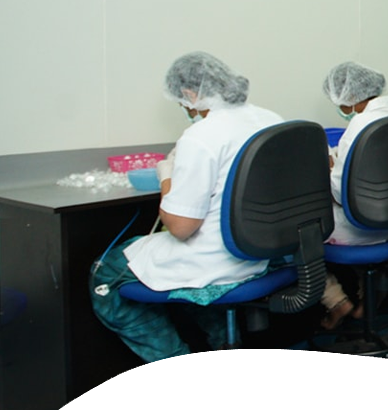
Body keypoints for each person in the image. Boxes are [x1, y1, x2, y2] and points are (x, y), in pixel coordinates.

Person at [90, 52, 300, 360]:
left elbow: (180, 227)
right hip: (266, 254)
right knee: (188, 279)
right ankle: (221, 343)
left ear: (191, 94)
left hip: (218, 263)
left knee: (106, 273)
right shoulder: (271, 119)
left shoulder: (202, 136)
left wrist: (167, 177)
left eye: (182, 102)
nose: (185, 108)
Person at [321, 61, 388, 326]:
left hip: (361, 229)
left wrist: (329, 170)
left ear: (351, 96)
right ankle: (371, 302)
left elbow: (340, 193)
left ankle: (338, 302)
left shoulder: (360, 125)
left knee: (297, 229)